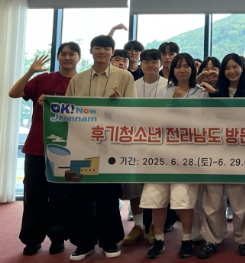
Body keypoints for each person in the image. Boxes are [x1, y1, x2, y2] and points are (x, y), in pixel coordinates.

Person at [64, 35, 136, 261]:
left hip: (109, 147)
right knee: (80, 196)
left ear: (112, 52)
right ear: (91, 51)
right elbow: (66, 109)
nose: (102, 52)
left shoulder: (124, 76)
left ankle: (109, 241)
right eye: (98, 48)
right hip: (80, 146)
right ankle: (83, 243)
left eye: (106, 48)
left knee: (107, 195)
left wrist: (120, 103)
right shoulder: (78, 79)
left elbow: (133, 110)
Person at [9, 43, 80, 256]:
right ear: (57, 57)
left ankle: (57, 238)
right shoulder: (43, 79)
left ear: (78, 57)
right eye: (63, 54)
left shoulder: (82, 83)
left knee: (61, 196)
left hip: (68, 149)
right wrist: (30, 71)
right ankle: (32, 239)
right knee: (33, 194)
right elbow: (14, 93)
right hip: (37, 147)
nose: (67, 57)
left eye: (72, 54)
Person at [142, 53, 208, 259]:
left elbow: (202, 124)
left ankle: (186, 240)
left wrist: (179, 107)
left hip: (188, 153)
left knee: (184, 199)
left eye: (186, 66)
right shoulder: (163, 92)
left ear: (193, 69)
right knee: (157, 199)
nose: (182, 70)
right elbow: (156, 122)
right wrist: (173, 103)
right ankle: (158, 240)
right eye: (178, 66)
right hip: (162, 153)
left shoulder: (201, 94)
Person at [198, 54, 245, 259]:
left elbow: (240, 113)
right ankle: (211, 240)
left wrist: (215, 95)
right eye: (227, 68)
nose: (231, 71)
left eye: (235, 67)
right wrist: (212, 93)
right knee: (212, 201)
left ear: (242, 68)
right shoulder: (210, 90)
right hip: (213, 150)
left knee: (240, 201)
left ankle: (243, 239)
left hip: (240, 151)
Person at [121, 49, 171, 248]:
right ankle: (138, 225)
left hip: (161, 143)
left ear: (161, 64)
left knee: (157, 185)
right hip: (135, 142)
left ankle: (154, 227)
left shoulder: (169, 86)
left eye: (154, 61)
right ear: (140, 64)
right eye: (146, 61)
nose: (150, 65)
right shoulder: (132, 85)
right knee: (135, 185)